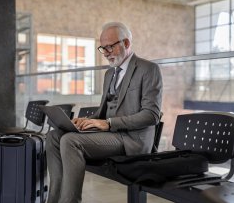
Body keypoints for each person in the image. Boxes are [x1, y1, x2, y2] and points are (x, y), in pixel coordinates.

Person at [46, 22, 163, 203]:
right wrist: (86, 121)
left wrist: (109, 123)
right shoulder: (110, 74)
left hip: (131, 139)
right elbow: (104, 111)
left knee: (70, 141)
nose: (106, 52)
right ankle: (53, 200)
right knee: (54, 136)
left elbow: (152, 115)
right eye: (103, 48)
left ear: (126, 43)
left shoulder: (148, 69)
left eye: (110, 46)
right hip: (109, 134)